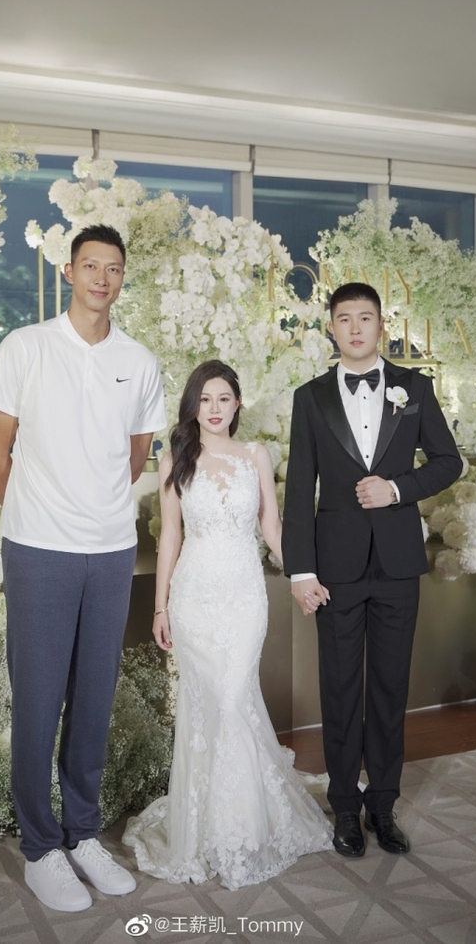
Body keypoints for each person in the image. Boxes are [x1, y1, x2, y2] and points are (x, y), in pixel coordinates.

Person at [0, 224, 166, 912]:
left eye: (113, 268)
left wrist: (90, 512)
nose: (102, 279)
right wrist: (39, 513)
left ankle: (83, 834)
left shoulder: (138, 361)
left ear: (122, 277)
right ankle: (39, 848)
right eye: (91, 266)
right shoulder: (25, 348)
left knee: (93, 699)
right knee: (38, 699)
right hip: (38, 550)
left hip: (111, 552)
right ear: (69, 271)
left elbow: (135, 456)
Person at [123, 360, 333, 889]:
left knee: (235, 698)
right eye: (204, 399)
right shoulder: (175, 459)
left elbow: (271, 527)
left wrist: (301, 575)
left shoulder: (256, 455)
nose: (214, 408)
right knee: (210, 709)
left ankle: (243, 830)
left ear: (238, 404)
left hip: (243, 598)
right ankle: (208, 829)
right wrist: (160, 607)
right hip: (193, 598)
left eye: (223, 398)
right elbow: (170, 537)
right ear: (193, 406)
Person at [282, 282, 462, 859]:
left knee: (389, 688)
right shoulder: (309, 398)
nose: (356, 328)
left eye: (366, 317)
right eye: (344, 319)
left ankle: (383, 805)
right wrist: (301, 572)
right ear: (331, 328)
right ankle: (344, 807)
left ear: (381, 325)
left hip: (397, 564)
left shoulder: (415, 388)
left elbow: (448, 461)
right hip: (334, 568)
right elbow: (299, 491)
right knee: (339, 690)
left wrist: (397, 489)